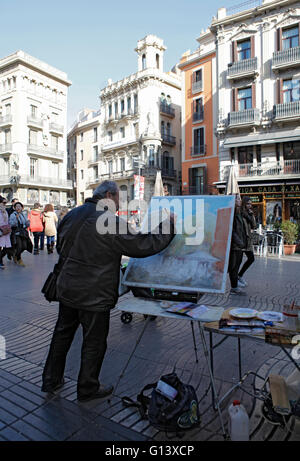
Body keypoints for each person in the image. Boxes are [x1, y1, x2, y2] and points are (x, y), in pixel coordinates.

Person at [41, 180, 176, 402]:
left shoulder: (73, 214)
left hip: (67, 287)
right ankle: (87, 388)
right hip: (94, 292)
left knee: (62, 335)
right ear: (110, 195)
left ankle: (50, 380)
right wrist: (168, 226)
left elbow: (60, 246)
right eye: (117, 200)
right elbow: (142, 245)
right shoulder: (108, 220)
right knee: (93, 341)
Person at [228, 195, 247, 294]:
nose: (240, 200)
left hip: (240, 245)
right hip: (235, 245)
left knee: (237, 266)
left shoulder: (240, 213)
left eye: (240, 198)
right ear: (233, 201)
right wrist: (239, 242)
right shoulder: (232, 214)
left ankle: (235, 285)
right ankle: (234, 287)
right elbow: (232, 230)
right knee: (234, 267)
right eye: (238, 199)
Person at [237, 197, 256, 287]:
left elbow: (254, 226)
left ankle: (239, 275)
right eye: (248, 204)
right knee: (238, 260)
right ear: (244, 203)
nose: (250, 205)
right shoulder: (240, 213)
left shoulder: (249, 213)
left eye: (250, 204)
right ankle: (236, 278)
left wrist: (251, 215)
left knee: (251, 258)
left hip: (247, 240)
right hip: (241, 239)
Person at [9, 202, 32, 267]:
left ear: (22, 207)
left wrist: (27, 223)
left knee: (24, 246)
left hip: (23, 233)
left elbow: (25, 223)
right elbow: (11, 224)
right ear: (14, 208)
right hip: (16, 233)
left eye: (19, 206)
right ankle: (19, 259)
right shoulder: (13, 215)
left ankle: (15, 255)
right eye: (17, 206)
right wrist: (16, 219)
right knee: (19, 246)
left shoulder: (23, 214)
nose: (18, 208)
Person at [0, 196, 12, 269]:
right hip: (1, 231)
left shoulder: (4, 211)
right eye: (3, 203)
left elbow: (7, 220)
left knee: (6, 248)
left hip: (5, 231)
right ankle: (0, 262)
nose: (5, 204)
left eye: (5, 203)